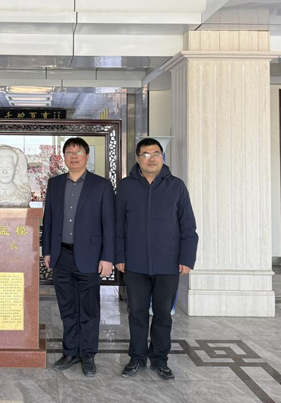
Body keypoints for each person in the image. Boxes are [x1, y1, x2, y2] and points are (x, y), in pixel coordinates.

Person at [115, 138, 198, 381]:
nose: (151, 158)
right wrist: (119, 256)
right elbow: (118, 224)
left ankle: (160, 359)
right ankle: (137, 358)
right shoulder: (126, 186)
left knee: (163, 314)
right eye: (146, 154)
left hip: (168, 263)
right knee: (137, 313)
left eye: (156, 153)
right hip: (134, 263)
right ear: (138, 159)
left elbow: (188, 225)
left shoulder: (176, 186)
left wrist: (187, 258)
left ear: (162, 157)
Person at [42, 137, 115, 377]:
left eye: (78, 152)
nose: (73, 156)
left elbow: (109, 224)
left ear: (86, 156)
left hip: (90, 257)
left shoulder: (101, 185)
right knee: (67, 308)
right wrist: (47, 251)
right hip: (61, 255)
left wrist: (107, 258)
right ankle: (70, 352)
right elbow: (49, 220)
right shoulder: (55, 184)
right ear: (64, 157)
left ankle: (88, 354)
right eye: (69, 152)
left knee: (89, 309)